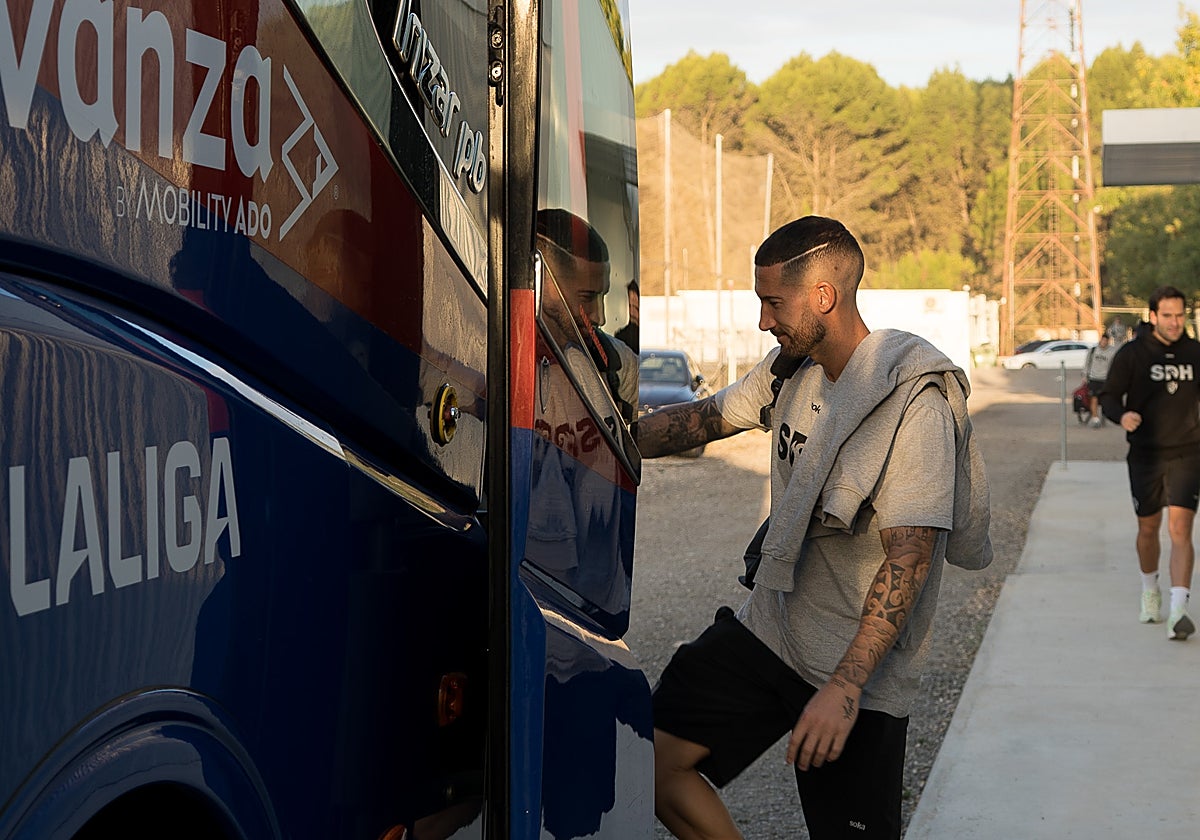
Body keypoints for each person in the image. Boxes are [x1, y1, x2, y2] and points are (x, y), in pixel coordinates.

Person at [637, 216, 992, 840]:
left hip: (852, 666)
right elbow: (703, 421)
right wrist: (598, 437)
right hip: (771, 629)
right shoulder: (787, 372)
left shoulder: (913, 406)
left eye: (773, 303)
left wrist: (844, 689)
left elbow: (908, 559)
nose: (763, 321)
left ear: (823, 295)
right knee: (653, 763)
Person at [1099, 285, 1200, 640]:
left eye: (1180, 315)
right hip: (1144, 455)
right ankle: (1149, 590)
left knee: (1180, 530)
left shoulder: (1195, 353)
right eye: (1168, 316)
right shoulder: (1133, 354)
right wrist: (1122, 415)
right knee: (1148, 528)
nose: (1175, 323)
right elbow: (1108, 396)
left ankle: (1178, 611)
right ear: (1153, 316)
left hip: (1188, 453)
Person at [1083, 333, 1117, 427]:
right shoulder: (1093, 350)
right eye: (1103, 340)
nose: (1104, 342)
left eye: (1106, 341)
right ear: (1100, 340)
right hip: (1094, 378)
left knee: (1105, 399)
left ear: (1108, 341)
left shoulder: (1112, 352)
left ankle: (1104, 415)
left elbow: (1114, 366)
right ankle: (1095, 418)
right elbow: (1087, 363)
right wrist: (1085, 375)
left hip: (1105, 379)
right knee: (1094, 398)